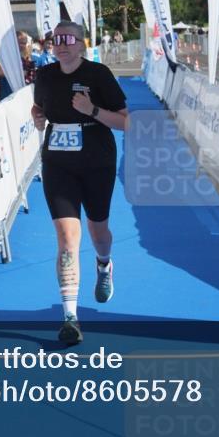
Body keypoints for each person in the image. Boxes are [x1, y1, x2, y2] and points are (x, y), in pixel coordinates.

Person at [31, 21, 129, 345]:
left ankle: (104, 265)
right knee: (66, 237)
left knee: (98, 230)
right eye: (56, 39)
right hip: (58, 163)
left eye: (68, 39)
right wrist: (36, 116)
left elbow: (127, 122)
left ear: (81, 44)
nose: (62, 44)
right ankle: (70, 317)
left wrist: (93, 109)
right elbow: (38, 105)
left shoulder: (99, 74)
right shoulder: (44, 76)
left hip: (97, 161)